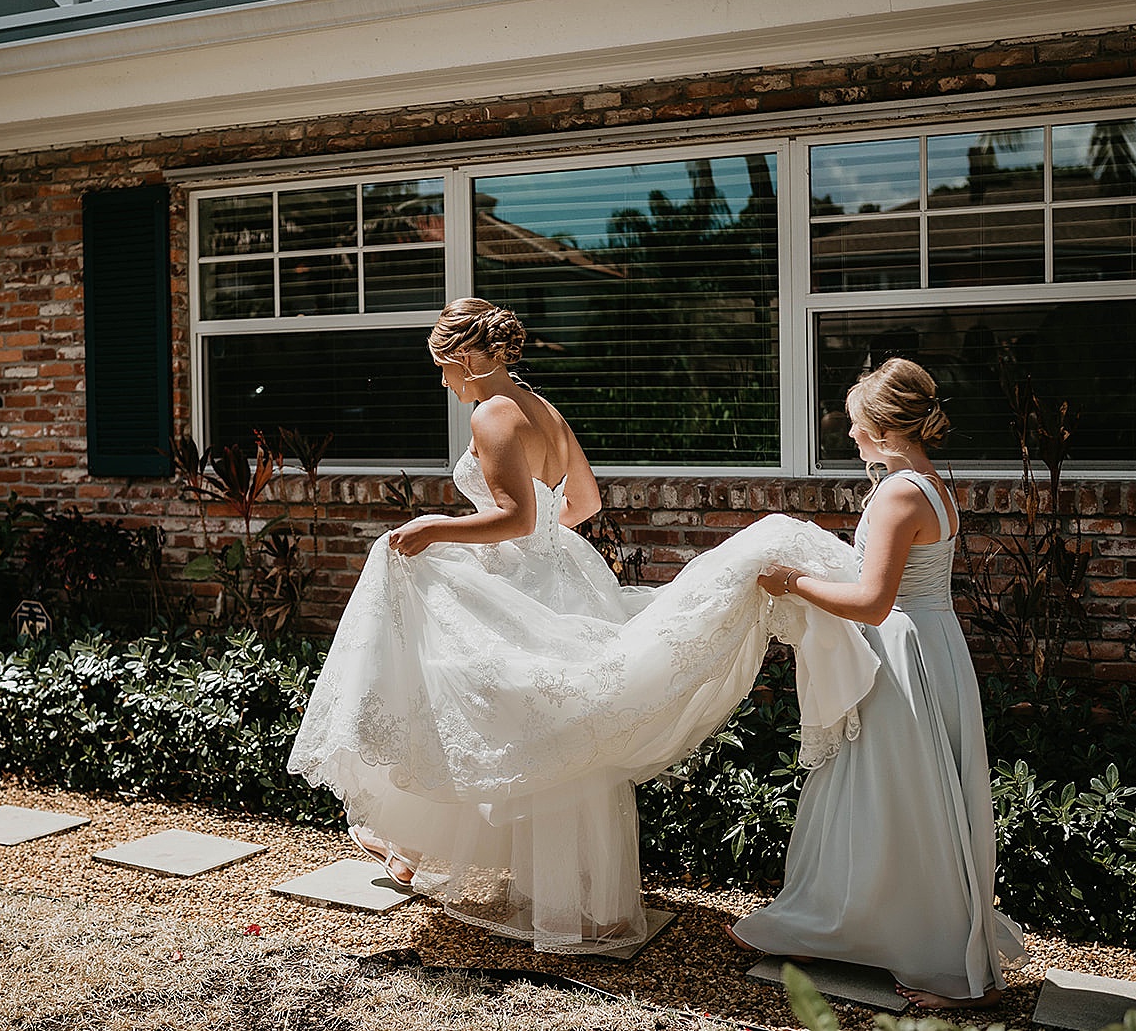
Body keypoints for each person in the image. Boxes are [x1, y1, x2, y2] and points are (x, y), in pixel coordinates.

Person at [288, 298, 880, 954]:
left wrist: (439, 529)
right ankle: (577, 899)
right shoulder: (544, 409)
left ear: (465, 360)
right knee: (567, 737)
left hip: (524, 585)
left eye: (442, 369)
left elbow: (513, 517)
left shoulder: (492, 414)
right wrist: (541, 543)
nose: (443, 384)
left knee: (488, 711)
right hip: (566, 576)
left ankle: (487, 873)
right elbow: (585, 502)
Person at [726, 357, 1028, 1007]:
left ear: (887, 426)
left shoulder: (898, 492)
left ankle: (938, 960)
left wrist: (790, 582)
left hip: (902, 654)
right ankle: (833, 927)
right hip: (935, 645)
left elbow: (870, 600)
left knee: (900, 799)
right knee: (891, 796)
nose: (850, 433)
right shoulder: (931, 484)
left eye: (858, 422)